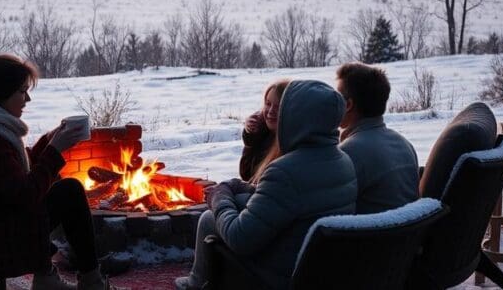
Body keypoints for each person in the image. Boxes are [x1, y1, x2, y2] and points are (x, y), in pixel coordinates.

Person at [0, 54, 119, 290]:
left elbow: (8, 174)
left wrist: (48, 141)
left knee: (59, 184)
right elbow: (25, 195)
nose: (28, 99)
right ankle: (90, 282)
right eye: (22, 91)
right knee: (69, 191)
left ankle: (47, 277)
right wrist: (54, 152)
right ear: (2, 93)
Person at [175, 80, 357, 290]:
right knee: (242, 200)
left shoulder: (286, 170)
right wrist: (236, 187)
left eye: (283, 109)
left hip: (278, 275)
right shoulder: (343, 160)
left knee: (209, 218)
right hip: (315, 266)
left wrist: (219, 198)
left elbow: (239, 238)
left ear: (296, 116)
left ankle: (196, 284)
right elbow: (284, 197)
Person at [336, 62, 419, 214]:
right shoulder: (404, 144)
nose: (333, 103)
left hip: (366, 236)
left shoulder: (348, 153)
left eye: (337, 97)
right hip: (405, 235)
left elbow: (329, 207)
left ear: (348, 105)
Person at [239, 78, 289, 182]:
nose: (271, 111)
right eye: (268, 104)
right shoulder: (264, 134)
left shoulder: (291, 144)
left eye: (278, 106)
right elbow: (246, 174)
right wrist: (253, 136)